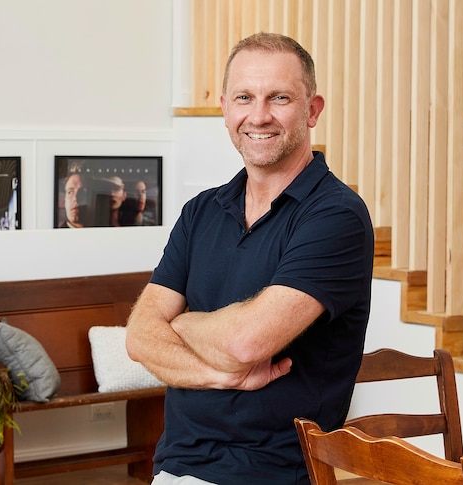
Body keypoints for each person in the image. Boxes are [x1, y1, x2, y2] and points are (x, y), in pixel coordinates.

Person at [125, 32, 374, 485]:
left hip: (277, 473)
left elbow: (246, 345)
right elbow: (140, 338)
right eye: (244, 97)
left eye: (279, 97)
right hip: (177, 467)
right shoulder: (201, 210)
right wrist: (221, 375)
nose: (258, 116)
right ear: (225, 108)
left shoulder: (336, 216)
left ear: (312, 109)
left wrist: (180, 325)